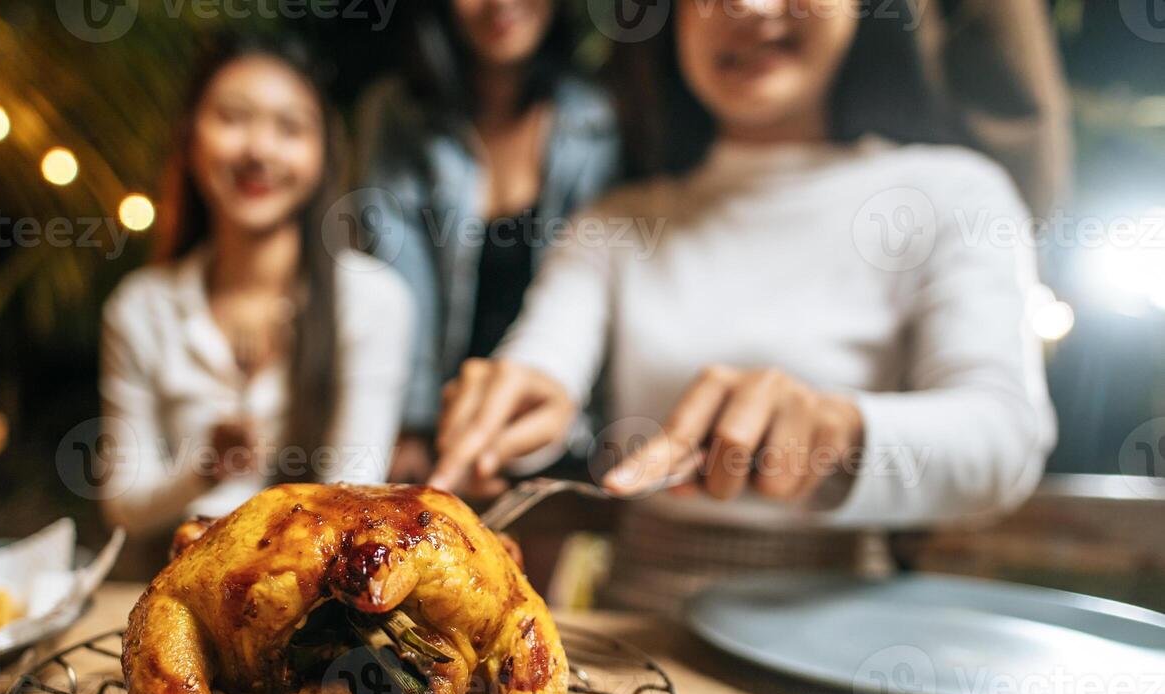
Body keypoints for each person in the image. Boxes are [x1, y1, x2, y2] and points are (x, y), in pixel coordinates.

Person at [431, 0, 1057, 595]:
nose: (750, 9)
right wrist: (513, 405)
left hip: (846, 641)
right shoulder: (619, 221)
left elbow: (1007, 438)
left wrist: (840, 430)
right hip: (633, 642)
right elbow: (545, 358)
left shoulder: (954, 194)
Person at [99, 33, 411, 535]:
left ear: (324, 152)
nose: (259, 150)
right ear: (189, 136)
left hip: (313, 591)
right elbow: (124, 507)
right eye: (233, 118)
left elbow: (354, 493)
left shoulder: (372, 300)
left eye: (289, 127)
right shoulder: (140, 307)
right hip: (176, 582)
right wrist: (205, 465)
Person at [354, 0, 621, 480]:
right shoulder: (398, 114)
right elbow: (398, 274)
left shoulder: (602, 118)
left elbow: (593, 287)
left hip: (562, 418)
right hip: (437, 421)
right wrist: (411, 427)